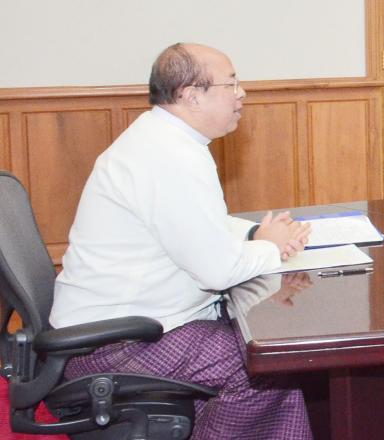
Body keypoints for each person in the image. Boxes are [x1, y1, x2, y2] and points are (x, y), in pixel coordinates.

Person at [50, 43, 314, 440]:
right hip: (114, 346)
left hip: (128, 330)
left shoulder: (164, 140)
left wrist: (252, 235)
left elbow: (199, 225)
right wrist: (272, 247)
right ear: (192, 95)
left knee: (263, 349)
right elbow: (217, 271)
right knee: (263, 368)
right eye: (231, 84)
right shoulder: (168, 156)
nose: (242, 93)